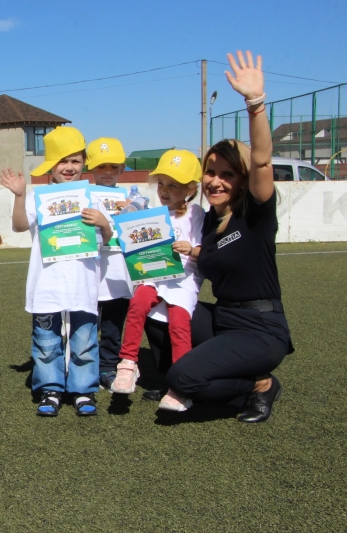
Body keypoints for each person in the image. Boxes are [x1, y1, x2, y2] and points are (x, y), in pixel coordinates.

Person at [166, 51, 293, 423]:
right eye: (210, 171)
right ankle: (193, 374)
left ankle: (261, 385)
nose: (215, 180)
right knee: (166, 311)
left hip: (261, 328)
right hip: (223, 317)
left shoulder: (255, 214)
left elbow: (263, 163)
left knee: (183, 378)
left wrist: (255, 105)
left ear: (241, 180)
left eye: (227, 173)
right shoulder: (208, 220)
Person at [0, 126, 113, 418]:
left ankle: (83, 390)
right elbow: (19, 226)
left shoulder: (94, 198)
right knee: (46, 342)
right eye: (62, 161)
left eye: (75, 160)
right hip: (47, 286)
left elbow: (108, 239)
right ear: (51, 165)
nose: (69, 167)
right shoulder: (41, 197)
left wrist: (103, 222)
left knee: (85, 340)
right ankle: (50, 389)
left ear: (84, 163)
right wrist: (20, 196)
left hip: (83, 286)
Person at [110, 149, 204, 412]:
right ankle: (128, 364)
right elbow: (132, 234)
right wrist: (125, 216)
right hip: (154, 275)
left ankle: (181, 385)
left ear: (190, 188)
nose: (164, 190)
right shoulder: (152, 211)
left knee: (178, 323)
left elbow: (201, 250)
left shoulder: (194, 213)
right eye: (161, 183)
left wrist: (190, 249)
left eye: (173, 185)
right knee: (138, 303)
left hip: (183, 278)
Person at [86, 137, 133, 391]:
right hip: (90, 273)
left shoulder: (133, 197)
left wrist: (134, 210)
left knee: (113, 329)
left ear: (122, 169)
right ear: (90, 168)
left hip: (119, 277)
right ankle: (85, 367)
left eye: (113, 167)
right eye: (101, 166)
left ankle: (107, 368)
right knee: (86, 327)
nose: (107, 172)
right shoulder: (81, 194)